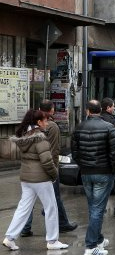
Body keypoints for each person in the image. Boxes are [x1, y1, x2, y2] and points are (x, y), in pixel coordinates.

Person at [4, 110, 68, 251]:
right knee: (51, 207)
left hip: (26, 178)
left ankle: (10, 237)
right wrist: (54, 175)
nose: (47, 123)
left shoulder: (25, 136)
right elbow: (47, 160)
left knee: (23, 208)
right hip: (41, 178)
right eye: (45, 120)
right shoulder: (40, 138)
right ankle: (52, 241)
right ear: (38, 122)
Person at [20, 100, 77, 238]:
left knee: (28, 200)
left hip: (29, 168)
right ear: (52, 111)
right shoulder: (52, 127)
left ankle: (25, 228)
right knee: (54, 198)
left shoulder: (30, 127)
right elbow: (54, 150)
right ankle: (60, 226)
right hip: (47, 166)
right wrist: (53, 169)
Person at [72, 100, 115, 255]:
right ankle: (91, 245)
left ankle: (98, 239)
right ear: (100, 110)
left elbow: (75, 152)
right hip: (104, 172)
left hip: (86, 172)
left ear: (87, 111)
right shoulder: (108, 127)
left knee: (94, 207)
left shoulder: (79, 128)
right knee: (98, 208)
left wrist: (83, 165)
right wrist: (112, 170)